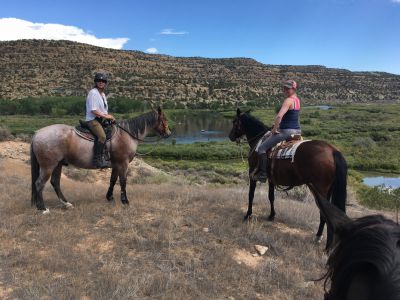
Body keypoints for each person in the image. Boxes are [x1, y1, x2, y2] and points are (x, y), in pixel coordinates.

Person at [253, 79, 302, 182]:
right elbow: (291, 117)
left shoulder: (288, 100)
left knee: (262, 148)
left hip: (287, 132)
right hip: (297, 131)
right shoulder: (297, 100)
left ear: (294, 89)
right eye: (284, 88)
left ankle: (263, 175)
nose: (285, 90)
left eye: (288, 88)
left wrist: (274, 130)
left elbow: (279, 116)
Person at [85, 72, 115, 168]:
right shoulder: (93, 93)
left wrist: (110, 118)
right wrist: (107, 117)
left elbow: (104, 110)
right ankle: (97, 160)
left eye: (103, 81)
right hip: (92, 120)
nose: (101, 82)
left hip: (101, 119)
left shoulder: (102, 94)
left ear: (105, 83)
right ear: (96, 82)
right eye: (99, 81)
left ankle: (108, 156)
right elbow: (94, 110)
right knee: (102, 136)